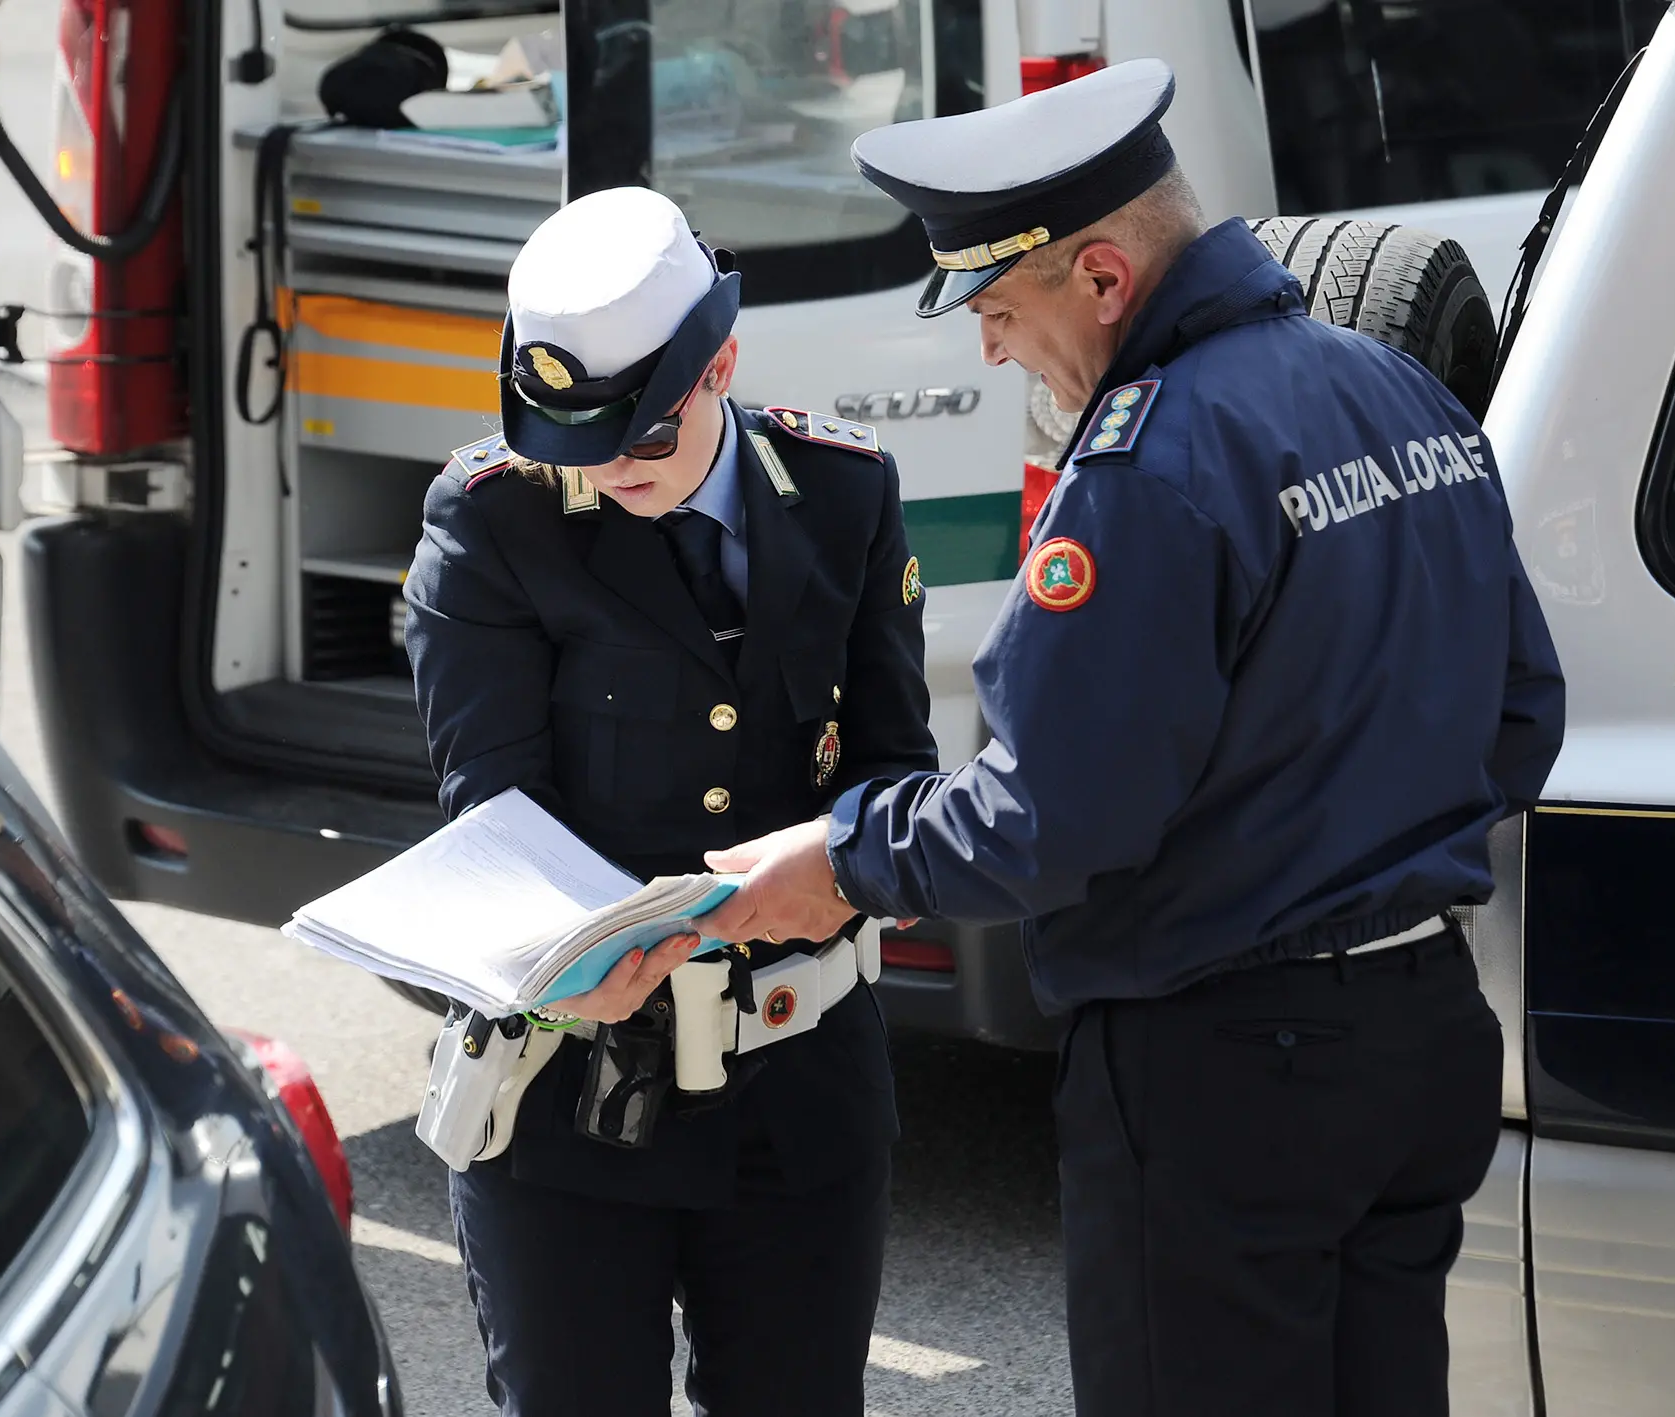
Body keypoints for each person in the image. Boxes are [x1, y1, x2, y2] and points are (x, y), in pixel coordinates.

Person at [698, 59, 1567, 1417]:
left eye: (995, 305)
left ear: (1100, 277)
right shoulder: (1395, 389)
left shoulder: (1151, 467)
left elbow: (1048, 816)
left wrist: (840, 857)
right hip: (1419, 1036)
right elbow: (1517, 717)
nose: (989, 348)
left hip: (1230, 1074)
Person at [401, 185, 936, 1416]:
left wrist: (833, 861)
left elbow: (890, 761)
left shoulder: (842, 490)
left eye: (637, 435)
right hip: (570, 1100)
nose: (602, 471)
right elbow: (490, 808)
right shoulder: (492, 522)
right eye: (570, 440)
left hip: (798, 1081)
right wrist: (553, 954)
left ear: (721, 365)